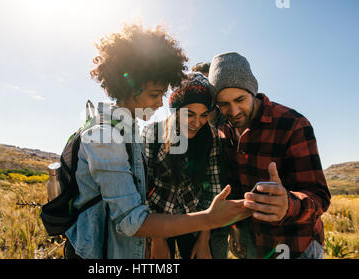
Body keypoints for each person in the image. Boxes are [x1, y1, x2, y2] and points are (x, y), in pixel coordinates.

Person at [64, 25, 252, 259]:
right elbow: (132, 221)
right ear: (128, 85)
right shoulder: (106, 135)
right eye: (154, 94)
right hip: (97, 251)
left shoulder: (128, 128)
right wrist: (209, 218)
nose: (158, 104)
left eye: (162, 95)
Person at [208, 52, 331, 259]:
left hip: (295, 245)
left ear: (252, 92)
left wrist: (289, 205)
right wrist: (236, 228)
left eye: (240, 99)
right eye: (224, 104)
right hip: (252, 244)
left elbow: (319, 196)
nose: (234, 111)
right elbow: (234, 187)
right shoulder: (223, 129)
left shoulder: (293, 124)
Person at [142, 72, 228, 259]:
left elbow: (213, 190)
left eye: (204, 115)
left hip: (196, 218)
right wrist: (157, 238)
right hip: (159, 218)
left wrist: (204, 238)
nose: (197, 123)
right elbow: (144, 187)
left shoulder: (211, 137)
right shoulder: (152, 133)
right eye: (189, 114)